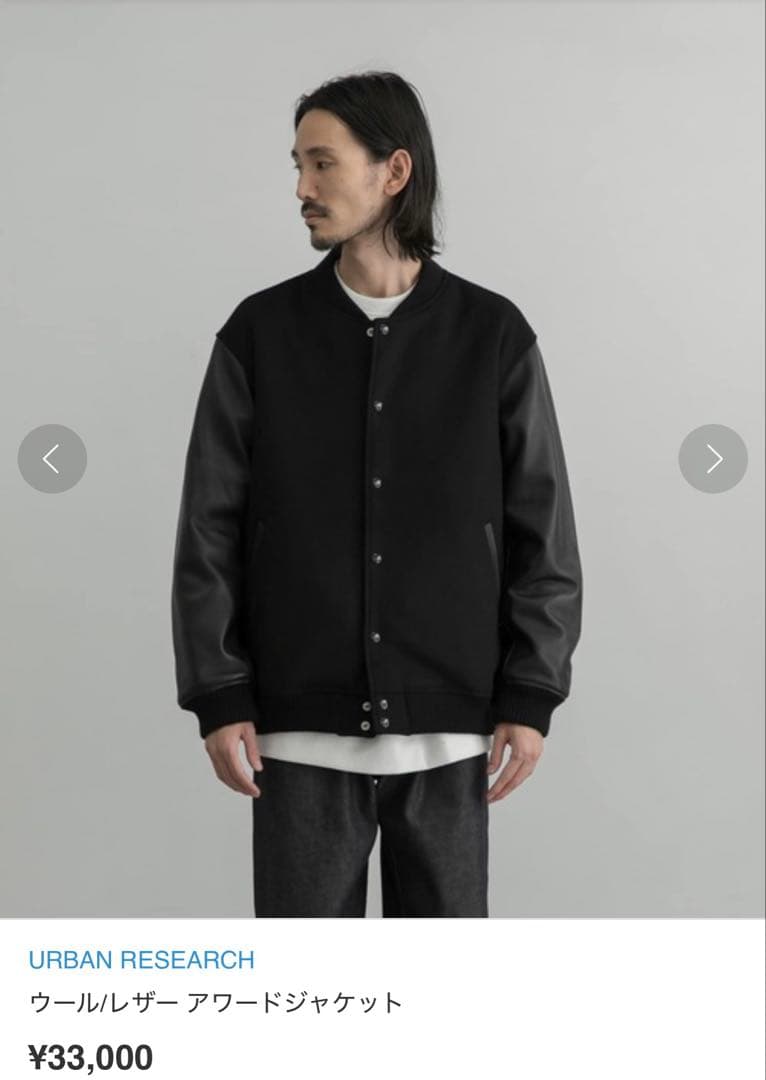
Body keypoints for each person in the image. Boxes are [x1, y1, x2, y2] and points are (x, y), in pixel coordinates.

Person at [171, 70, 583, 917]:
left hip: (450, 734)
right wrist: (218, 691)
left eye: (322, 163)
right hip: (297, 735)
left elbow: (542, 530)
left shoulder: (492, 336)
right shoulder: (260, 334)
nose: (301, 187)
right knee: (304, 991)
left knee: (440, 995)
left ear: (394, 171)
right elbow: (208, 527)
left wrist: (531, 691)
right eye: (298, 165)